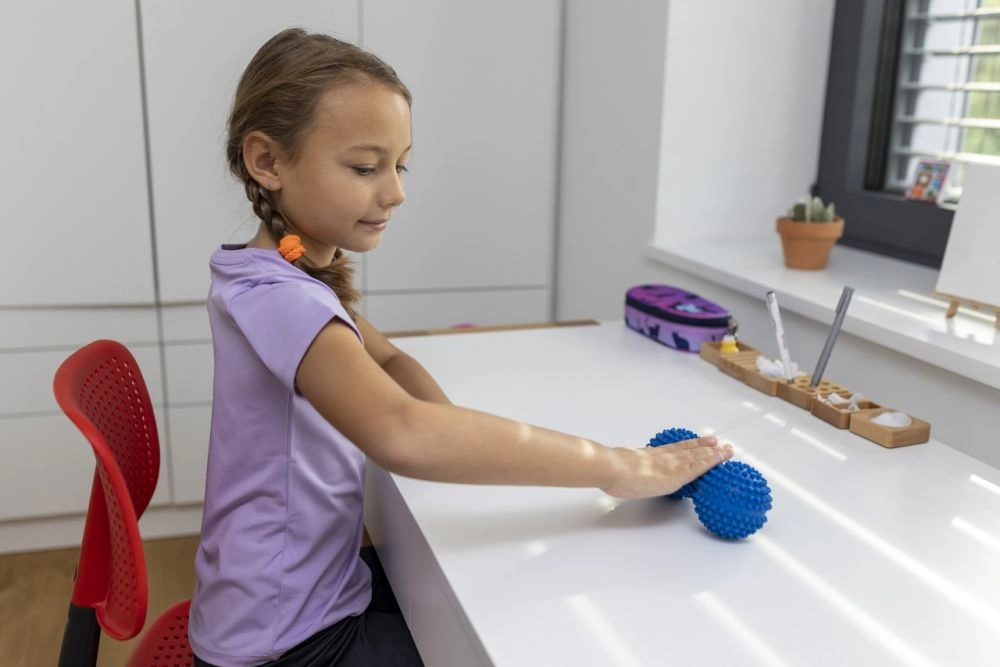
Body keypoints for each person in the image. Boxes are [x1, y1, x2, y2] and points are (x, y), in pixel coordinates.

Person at [189, 27, 733, 667]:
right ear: (267, 161)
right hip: (285, 645)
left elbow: (390, 361)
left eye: (400, 165)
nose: (395, 192)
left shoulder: (279, 271)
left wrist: (451, 432)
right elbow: (400, 432)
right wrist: (619, 465)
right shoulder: (280, 296)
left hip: (293, 603)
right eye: (365, 167)